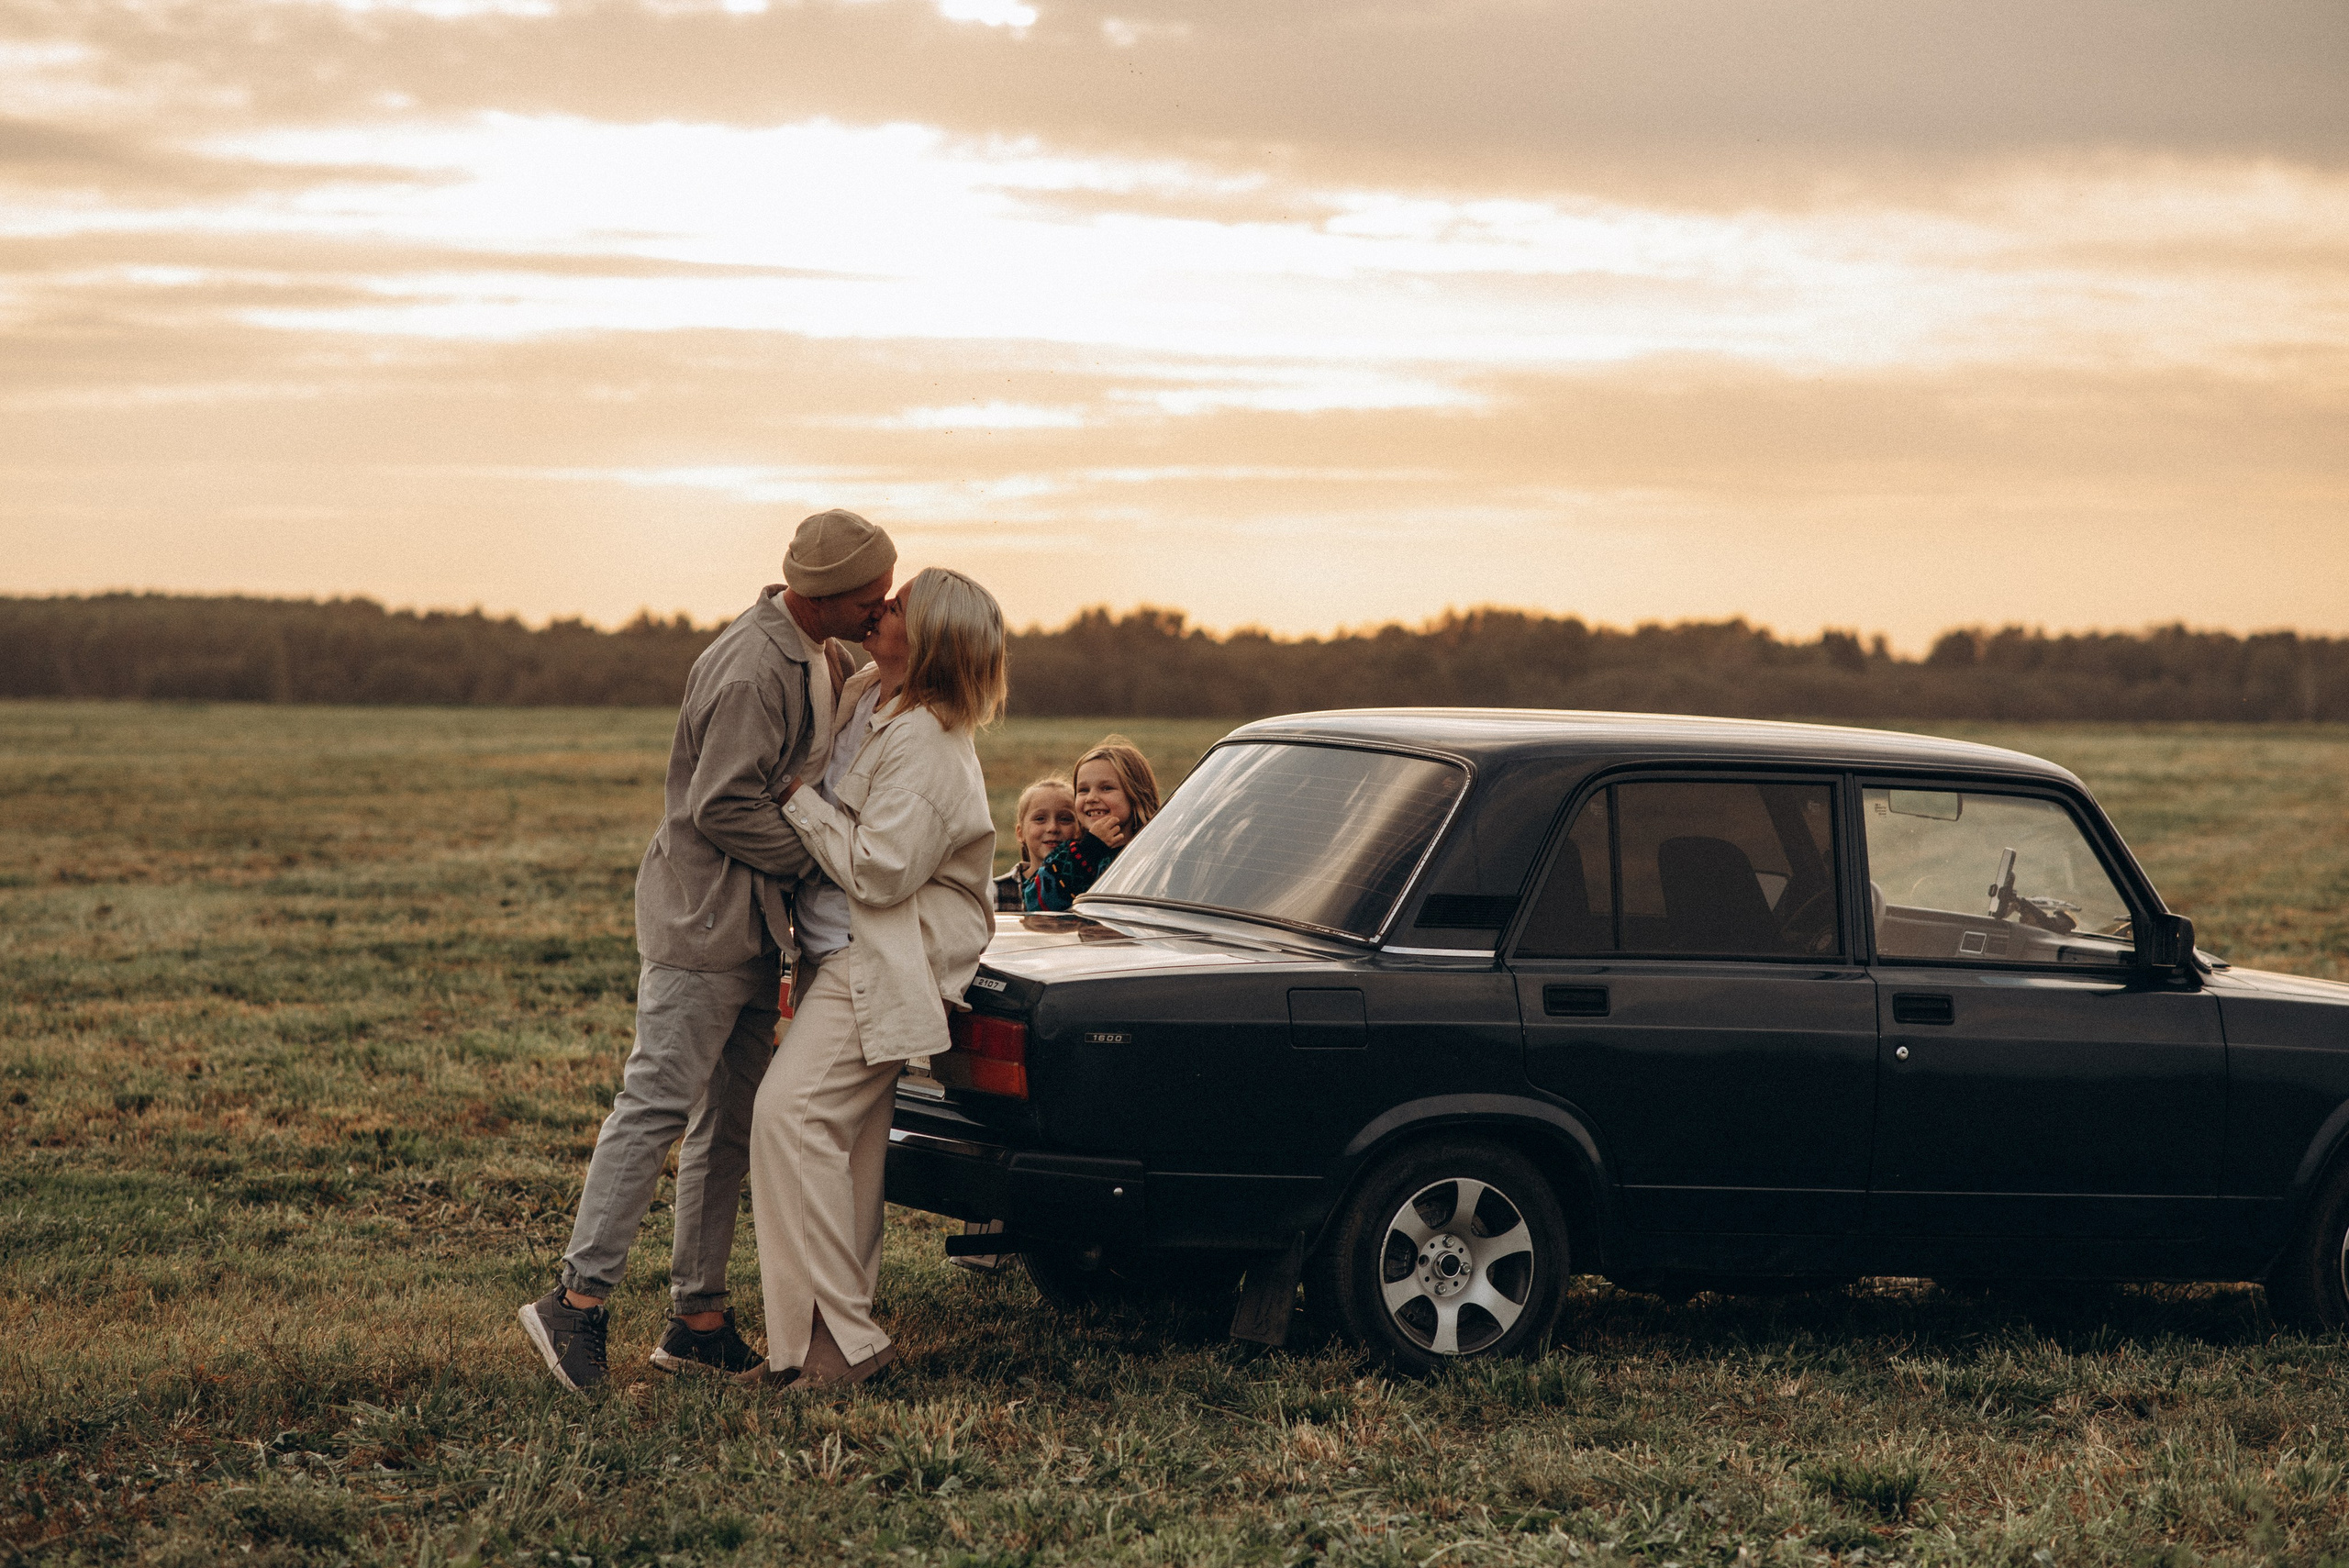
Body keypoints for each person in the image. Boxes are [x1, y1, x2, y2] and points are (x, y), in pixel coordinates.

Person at [518, 509, 896, 1393]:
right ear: (824, 593)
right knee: (654, 1104)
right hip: (703, 923)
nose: (880, 608)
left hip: (761, 930)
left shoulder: (826, 657)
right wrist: (826, 860)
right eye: (870, 595)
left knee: (728, 1122)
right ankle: (575, 1301)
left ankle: (698, 1320)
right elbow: (721, 805)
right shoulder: (752, 666)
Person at [742, 566, 1004, 1389]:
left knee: (787, 1117)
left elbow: (880, 870)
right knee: (850, 1151)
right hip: (838, 951)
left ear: (928, 641)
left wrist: (796, 798)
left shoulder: (931, 745)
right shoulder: (867, 693)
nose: (880, 608)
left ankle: (848, 1343)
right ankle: (806, 1351)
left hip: (885, 956)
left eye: (898, 606)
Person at [1018, 736, 1160, 913]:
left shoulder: (1154, 853)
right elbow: (1034, 902)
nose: (1091, 798)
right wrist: (1090, 849)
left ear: (1135, 795)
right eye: (1083, 790)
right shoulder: (1070, 853)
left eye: (1106, 788)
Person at [993, 776, 1078, 912]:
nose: (1052, 828)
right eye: (1040, 819)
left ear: (1080, 830)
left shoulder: (1088, 890)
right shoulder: (994, 891)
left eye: (1064, 819)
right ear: (1020, 833)